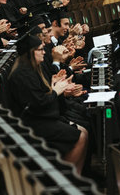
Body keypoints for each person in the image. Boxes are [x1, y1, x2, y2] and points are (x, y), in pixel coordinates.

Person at [8, 34, 89, 174]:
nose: (44, 52)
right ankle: (67, 180)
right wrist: (56, 91)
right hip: (33, 124)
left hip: (41, 117)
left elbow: (41, 95)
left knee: (84, 131)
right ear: (30, 52)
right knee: (80, 136)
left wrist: (54, 85)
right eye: (40, 49)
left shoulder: (31, 69)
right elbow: (37, 103)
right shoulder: (22, 74)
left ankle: (77, 176)